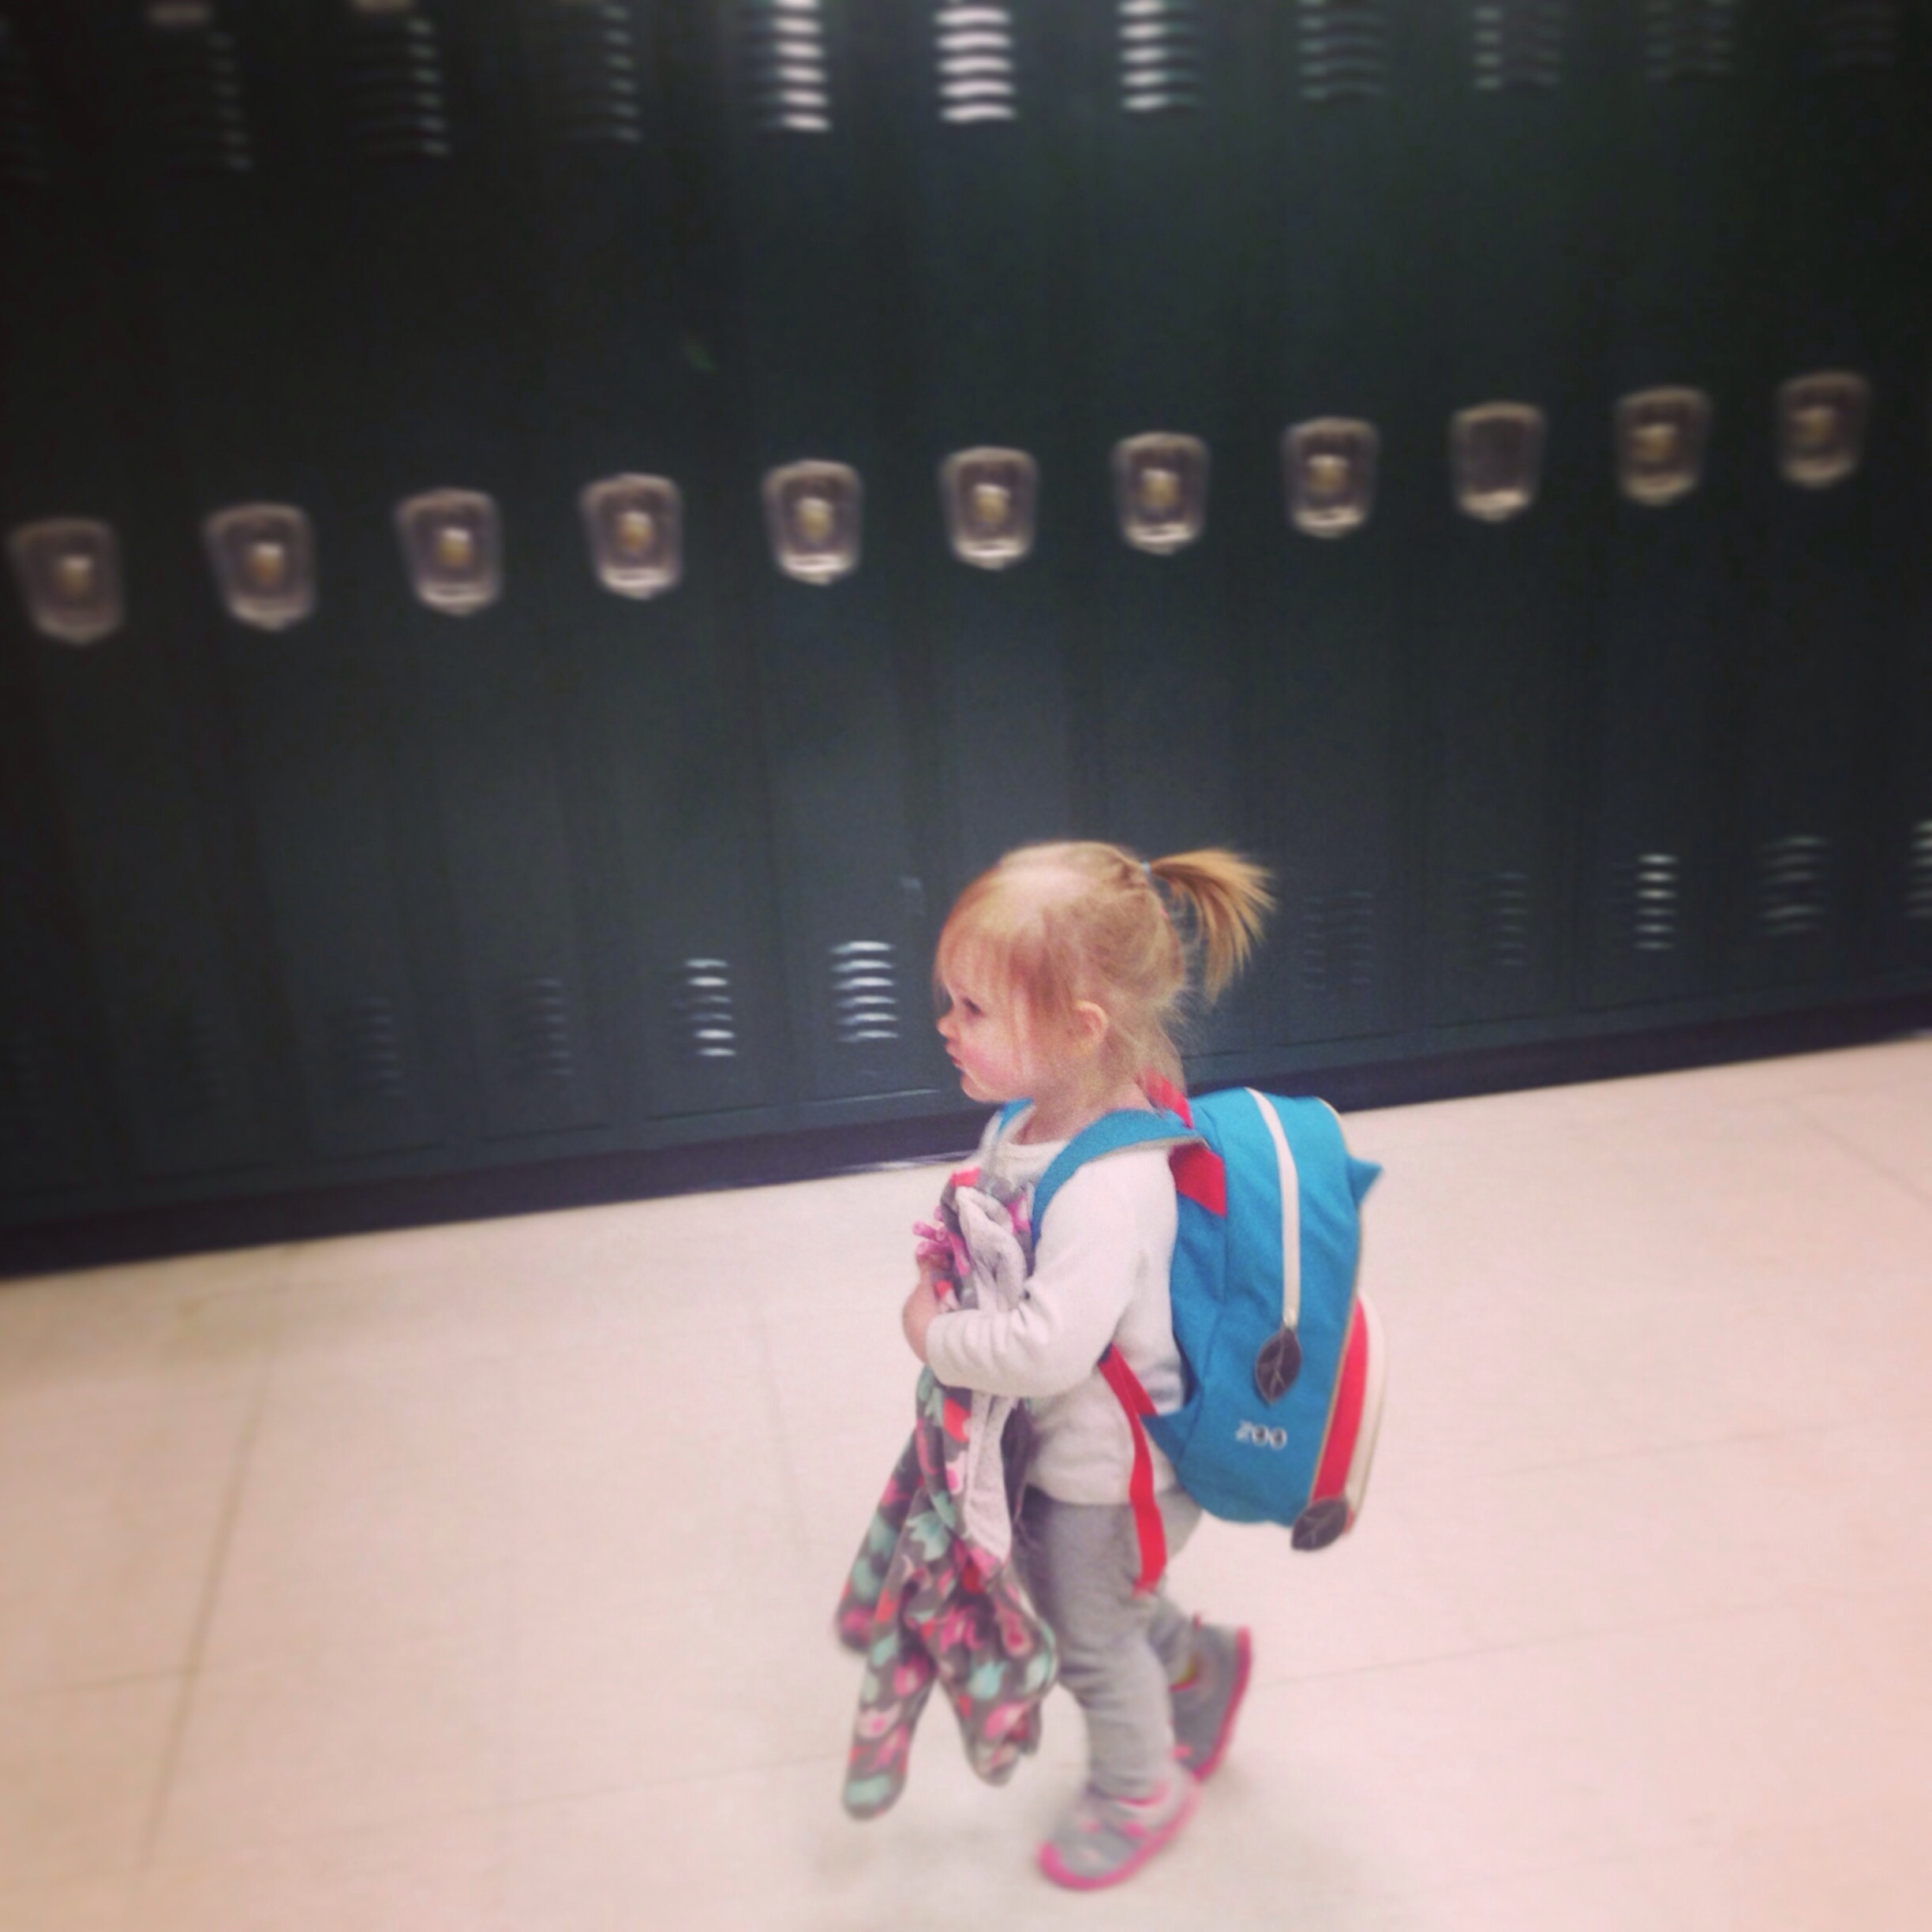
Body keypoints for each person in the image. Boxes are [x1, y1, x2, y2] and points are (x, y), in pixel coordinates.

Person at [899, 840, 1273, 1889]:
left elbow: (1050, 1346)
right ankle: (1199, 1668)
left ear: (1080, 1030)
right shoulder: (1032, 1118)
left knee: (1087, 1636)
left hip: (1110, 1473)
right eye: (951, 1002)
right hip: (1062, 1448)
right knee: (1089, 1596)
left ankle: (1140, 1789)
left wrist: (935, 1335)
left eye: (975, 1009)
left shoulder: (1110, 1188)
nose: (947, 1026)